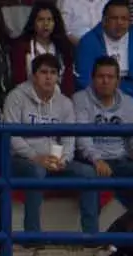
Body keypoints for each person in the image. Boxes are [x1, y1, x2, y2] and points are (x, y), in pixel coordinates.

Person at [6, 54, 96, 239]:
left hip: (54, 159)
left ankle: (90, 236)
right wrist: (35, 157)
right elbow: (11, 136)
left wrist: (64, 159)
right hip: (21, 159)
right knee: (36, 172)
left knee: (88, 174)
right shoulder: (16, 97)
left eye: (53, 73)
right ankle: (32, 236)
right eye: (43, 72)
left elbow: (69, 138)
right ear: (33, 75)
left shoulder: (65, 102)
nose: (48, 77)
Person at [75, 55, 133, 220]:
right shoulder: (80, 99)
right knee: (94, 176)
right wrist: (96, 159)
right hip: (91, 161)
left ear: (118, 80)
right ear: (93, 79)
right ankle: (92, 239)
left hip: (120, 160)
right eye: (101, 76)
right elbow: (82, 137)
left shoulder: (128, 102)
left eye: (110, 77)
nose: (105, 81)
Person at [76, 0, 133, 99]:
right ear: (104, 20)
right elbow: (85, 79)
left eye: (124, 19)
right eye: (114, 18)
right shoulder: (88, 41)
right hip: (99, 96)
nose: (119, 23)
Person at [9, 2, 77, 94]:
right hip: (28, 97)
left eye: (50, 20)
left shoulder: (63, 48)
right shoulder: (22, 48)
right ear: (33, 22)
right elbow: (19, 80)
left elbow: (68, 84)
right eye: (41, 19)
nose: (46, 24)